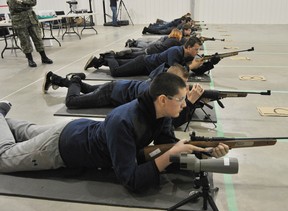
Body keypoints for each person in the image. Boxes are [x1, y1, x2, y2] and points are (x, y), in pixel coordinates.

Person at [0, 73, 229, 193]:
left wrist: (205, 152)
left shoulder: (161, 115)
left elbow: (166, 147)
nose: (184, 105)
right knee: (4, 156)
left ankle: (3, 115)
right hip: (60, 148)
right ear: (162, 99)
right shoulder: (124, 121)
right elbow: (131, 180)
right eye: (181, 100)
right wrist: (171, 156)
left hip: (74, 130)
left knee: (27, 131)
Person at [43, 63, 205, 128]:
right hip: (111, 93)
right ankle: (76, 79)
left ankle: (54, 78)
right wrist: (189, 101)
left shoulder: (160, 84)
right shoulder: (154, 94)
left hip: (118, 87)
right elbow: (172, 122)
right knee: (72, 101)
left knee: (88, 89)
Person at [84, 36, 220, 77]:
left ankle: (98, 61)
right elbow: (174, 71)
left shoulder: (188, 56)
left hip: (147, 68)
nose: (197, 52)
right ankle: (109, 56)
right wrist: (190, 66)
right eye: (196, 49)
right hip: (144, 63)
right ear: (188, 47)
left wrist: (212, 63)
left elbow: (198, 71)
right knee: (116, 72)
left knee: (121, 63)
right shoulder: (175, 51)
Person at [7, 0, 53, 67]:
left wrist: (22, 2)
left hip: (31, 19)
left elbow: (33, 2)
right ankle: (30, 60)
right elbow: (14, 6)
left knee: (38, 38)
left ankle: (44, 57)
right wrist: (27, 5)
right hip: (19, 21)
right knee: (25, 41)